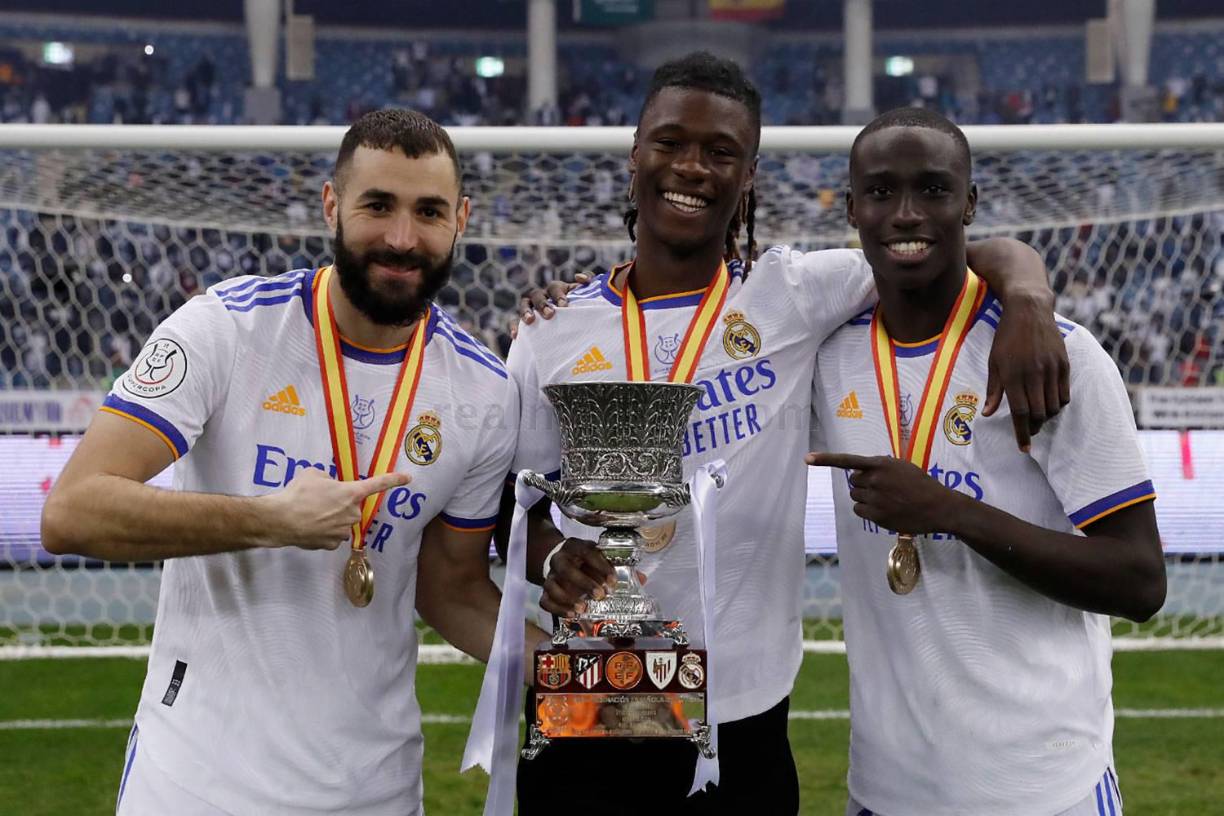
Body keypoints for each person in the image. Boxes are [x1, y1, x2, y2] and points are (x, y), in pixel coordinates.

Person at [503, 52, 1070, 815]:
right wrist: (557, 557)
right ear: (635, 156)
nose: (692, 167)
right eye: (671, 142)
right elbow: (522, 520)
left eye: (721, 152)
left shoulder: (795, 295)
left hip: (743, 707)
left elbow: (944, 246)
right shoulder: (552, 334)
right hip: (592, 695)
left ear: (749, 180)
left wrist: (1029, 296)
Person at [42, 109, 548, 815]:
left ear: (461, 218)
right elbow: (72, 511)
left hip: (376, 790)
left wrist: (582, 672)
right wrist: (268, 520)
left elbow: (454, 589)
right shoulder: (225, 328)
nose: (402, 237)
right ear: (331, 205)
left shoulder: (484, 391)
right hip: (194, 784)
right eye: (378, 205)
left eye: (428, 211)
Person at [805, 106, 1165, 816]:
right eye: (880, 192)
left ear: (970, 203)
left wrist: (949, 513)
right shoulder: (823, 350)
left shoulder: (1055, 356)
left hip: (1044, 789)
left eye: (934, 190)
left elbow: (1141, 582)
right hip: (885, 792)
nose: (906, 213)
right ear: (851, 209)